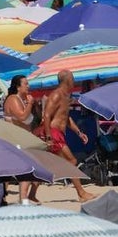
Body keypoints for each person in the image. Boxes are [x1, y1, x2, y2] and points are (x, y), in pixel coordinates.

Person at [39, 70, 93, 202]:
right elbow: (46, 115)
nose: (74, 81)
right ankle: (81, 193)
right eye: (73, 78)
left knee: (46, 165)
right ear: (67, 80)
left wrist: (79, 133)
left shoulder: (65, 96)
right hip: (53, 133)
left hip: (58, 134)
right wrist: (48, 137)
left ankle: (30, 194)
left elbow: (67, 119)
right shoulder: (56, 95)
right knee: (71, 161)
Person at [3, 75, 39, 204]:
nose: (28, 86)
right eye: (26, 84)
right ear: (18, 87)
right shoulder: (13, 99)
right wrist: (30, 103)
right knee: (26, 168)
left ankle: (24, 197)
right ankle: (23, 198)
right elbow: (23, 117)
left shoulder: (21, 100)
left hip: (22, 140)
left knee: (26, 168)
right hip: (15, 141)